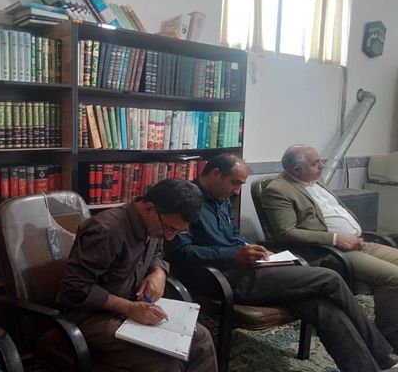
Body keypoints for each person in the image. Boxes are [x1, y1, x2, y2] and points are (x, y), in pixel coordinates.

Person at [165, 153, 398, 372]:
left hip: (246, 268)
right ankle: (384, 355)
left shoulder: (222, 197)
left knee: (322, 307)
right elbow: (183, 253)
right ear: (215, 174)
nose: (237, 191)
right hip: (219, 277)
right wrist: (234, 255)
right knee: (330, 279)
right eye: (234, 183)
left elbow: (233, 235)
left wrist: (250, 248)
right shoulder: (187, 200)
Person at [57, 179, 217, 372]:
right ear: (149, 208)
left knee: (202, 340)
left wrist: (158, 272)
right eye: (170, 228)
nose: (170, 237)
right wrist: (128, 308)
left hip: (132, 306)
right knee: (168, 365)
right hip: (90, 316)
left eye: (179, 231)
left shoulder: (155, 224)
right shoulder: (107, 231)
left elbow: (157, 254)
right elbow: (74, 287)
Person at [262, 144, 398, 349]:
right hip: (330, 252)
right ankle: (387, 333)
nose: (322, 166)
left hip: (359, 242)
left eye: (320, 161)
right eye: (315, 163)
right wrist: (335, 239)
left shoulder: (317, 181)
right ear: (296, 170)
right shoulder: (278, 190)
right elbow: (286, 232)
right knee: (394, 277)